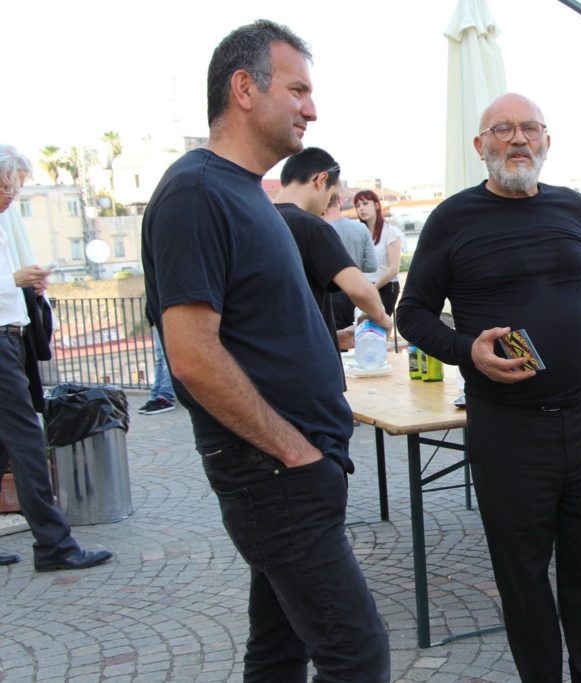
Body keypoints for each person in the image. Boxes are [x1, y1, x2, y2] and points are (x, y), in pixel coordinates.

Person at [141, 21, 389, 681]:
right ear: (244, 89)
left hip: (297, 467)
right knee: (357, 654)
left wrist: (326, 344)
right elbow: (191, 354)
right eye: (298, 89)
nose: (312, 108)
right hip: (275, 471)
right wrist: (292, 449)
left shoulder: (247, 192)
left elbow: (255, 326)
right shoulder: (196, 192)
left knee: (278, 653)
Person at [397, 93, 581, 682]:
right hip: (507, 428)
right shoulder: (453, 219)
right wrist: (466, 352)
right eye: (503, 129)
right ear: (482, 147)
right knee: (522, 577)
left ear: (547, 141)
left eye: (531, 128)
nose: (519, 139)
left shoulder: (574, 208)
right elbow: (413, 312)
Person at [0, 144, 113, 571]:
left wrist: (26, 289)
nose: (11, 195)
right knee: (27, 439)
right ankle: (54, 545)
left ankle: (53, 543)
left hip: (11, 338)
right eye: (5, 186)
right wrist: (15, 281)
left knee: (6, 443)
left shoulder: (4, 223)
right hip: (1, 342)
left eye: (14, 186)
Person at [272, 146, 391, 361]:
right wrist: (382, 317)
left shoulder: (255, 220)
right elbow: (361, 290)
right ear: (321, 180)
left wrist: (334, 337)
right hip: (310, 370)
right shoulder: (312, 226)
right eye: (332, 195)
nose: (327, 205)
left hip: (270, 363)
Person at [323, 194, 377, 330]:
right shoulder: (360, 229)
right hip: (356, 293)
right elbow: (372, 265)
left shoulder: (316, 228)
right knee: (357, 338)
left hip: (328, 297)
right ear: (340, 200)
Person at [355, 189, 402, 315]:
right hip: (364, 288)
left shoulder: (390, 231)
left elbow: (394, 268)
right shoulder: (359, 233)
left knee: (377, 329)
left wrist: (373, 287)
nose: (361, 209)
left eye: (365, 203)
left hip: (386, 287)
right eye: (358, 206)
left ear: (376, 205)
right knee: (360, 328)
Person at [138, 309, 176, 415]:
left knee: (166, 358)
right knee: (160, 358)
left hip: (165, 315)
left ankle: (165, 397)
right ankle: (155, 396)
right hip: (156, 316)